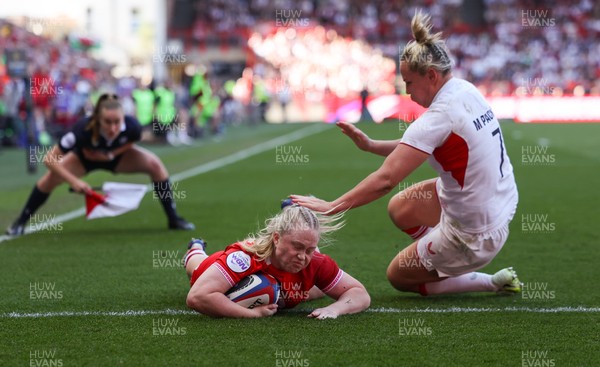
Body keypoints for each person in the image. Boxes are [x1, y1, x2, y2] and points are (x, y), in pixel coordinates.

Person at [291, 12, 522, 297]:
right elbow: (422, 144)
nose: (407, 92)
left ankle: (486, 279)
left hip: (477, 232)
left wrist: (332, 206)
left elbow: (386, 180)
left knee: (398, 276)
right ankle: (440, 252)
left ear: (432, 76)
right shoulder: (465, 90)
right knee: (400, 208)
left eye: (409, 83)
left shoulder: (439, 116)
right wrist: (372, 145)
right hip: (498, 201)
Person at [6, 93, 194, 236]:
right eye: (107, 122)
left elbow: (131, 142)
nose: (113, 128)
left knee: (155, 165)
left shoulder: (133, 127)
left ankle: (174, 219)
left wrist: (112, 154)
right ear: (97, 118)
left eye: (117, 122)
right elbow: (49, 159)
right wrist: (74, 182)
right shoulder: (81, 129)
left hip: (116, 158)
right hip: (84, 159)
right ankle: (20, 222)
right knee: (50, 179)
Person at [184, 205, 370, 319]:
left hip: (286, 284)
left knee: (317, 289)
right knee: (197, 266)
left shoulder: (315, 262)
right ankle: (195, 248)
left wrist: (334, 309)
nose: (302, 256)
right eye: (297, 246)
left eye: (310, 249)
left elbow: (359, 293)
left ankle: (294, 210)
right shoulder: (243, 259)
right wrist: (252, 314)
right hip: (211, 266)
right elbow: (198, 297)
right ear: (276, 238)